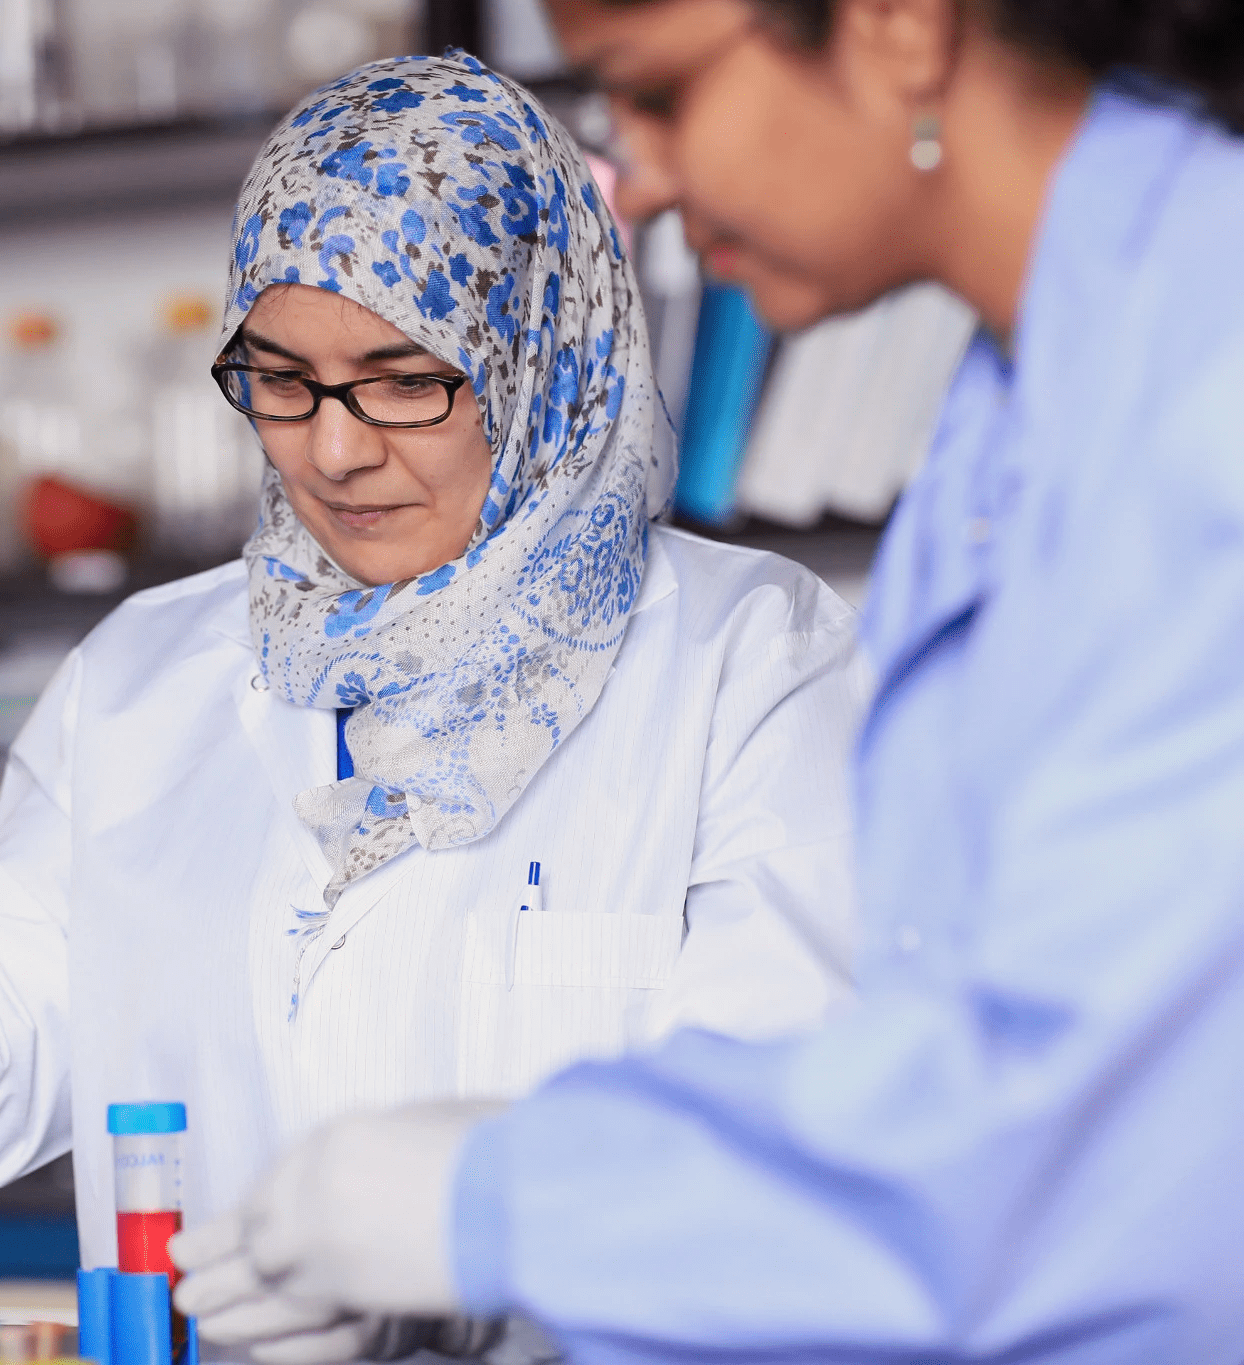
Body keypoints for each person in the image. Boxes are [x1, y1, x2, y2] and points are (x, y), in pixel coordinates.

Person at [0, 50, 865, 1341]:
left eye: (406, 379)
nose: (334, 449)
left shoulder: (743, 660)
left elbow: (795, 1162)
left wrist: (455, 1287)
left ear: (538, 354)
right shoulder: (141, 680)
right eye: (281, 381)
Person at [173, 2, 1244, 1360]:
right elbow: (954, 1054)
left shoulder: (1204, 395)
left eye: (664, 93)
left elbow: (1102, 1166)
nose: (641, 182)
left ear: (901, 24)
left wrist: (502, 1206)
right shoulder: (1018, 408)